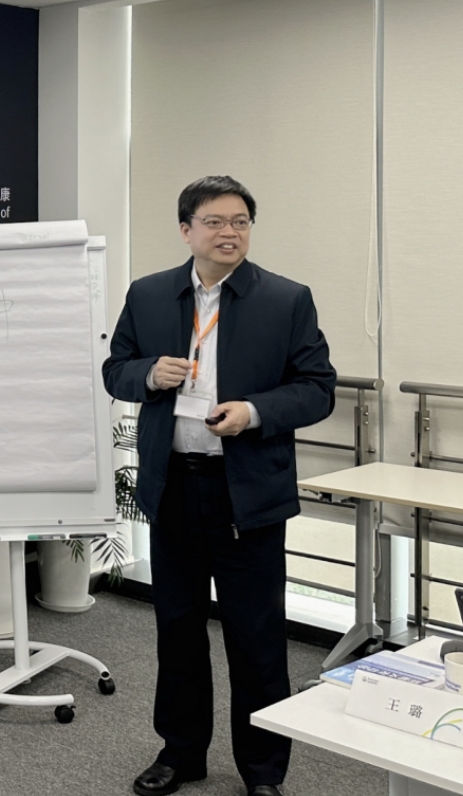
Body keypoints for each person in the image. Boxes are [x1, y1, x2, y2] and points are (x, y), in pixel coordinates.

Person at [102, 176, 336, 796]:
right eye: (214, 222)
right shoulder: (149, 294)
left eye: (240, 222)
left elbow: (317, 389)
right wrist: (147, 374)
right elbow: (114, 369)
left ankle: (263, 772)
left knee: (257, 639)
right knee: (177, 630)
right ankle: (181, 754)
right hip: (174, 487)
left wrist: (253, 412)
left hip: (247, 493)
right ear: (187, 230)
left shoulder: (286, 300)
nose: (229, 232)